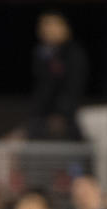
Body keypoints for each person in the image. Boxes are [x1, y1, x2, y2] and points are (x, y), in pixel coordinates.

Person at [29, 11, 87, 140]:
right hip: (41, 114)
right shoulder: (42, 53)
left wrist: (60, 113)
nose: (47, 30)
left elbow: (73, 85)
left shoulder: (72, 53)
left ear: (63, 28)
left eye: (52, 25)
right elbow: (43, 85)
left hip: (64, 114)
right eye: (44, 26)